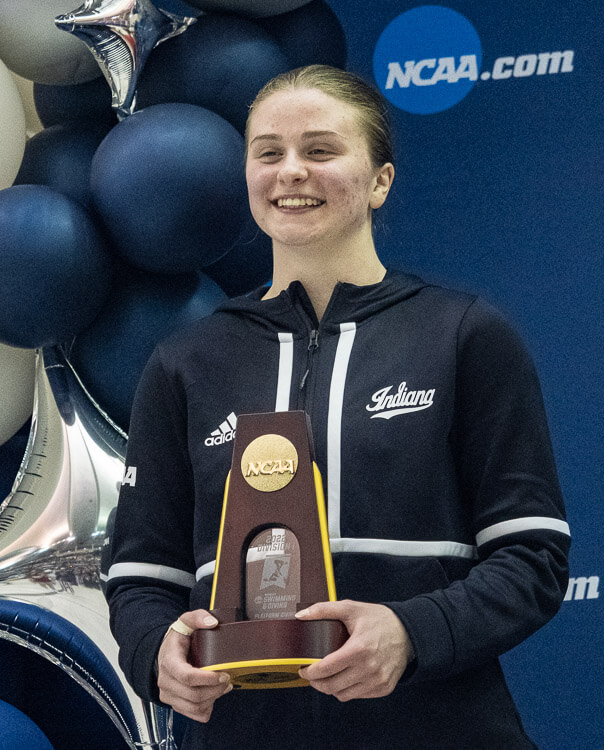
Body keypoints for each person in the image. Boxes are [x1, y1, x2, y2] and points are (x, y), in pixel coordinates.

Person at [105, 64, 570, 749]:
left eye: (320, 150)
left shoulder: (464, 335)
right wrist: (155, 652)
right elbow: (143, 576)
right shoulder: (187, 361)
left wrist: (411, 632)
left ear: (381, 179)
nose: (290, 171)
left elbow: (532, 558)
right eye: (269, 153)